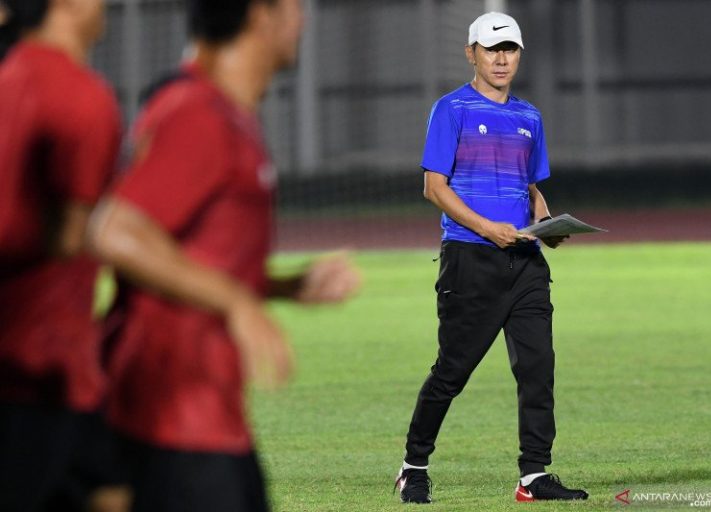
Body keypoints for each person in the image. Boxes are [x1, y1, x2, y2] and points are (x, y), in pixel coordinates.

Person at [87, 0, 360, 511]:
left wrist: (282, 286)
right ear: (260, 15)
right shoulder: (199, 114)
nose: (302, 18)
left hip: (203, 415)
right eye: (295, 6)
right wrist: (237, 302)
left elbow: (187, 254)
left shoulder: (228, 113)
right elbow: (115, 231)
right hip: (171, 417)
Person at [393, 12, 588, 504]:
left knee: (537, 368)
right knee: (452, 371)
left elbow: (529, 184)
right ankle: (413, 465)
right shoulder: (451, 109)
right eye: (491, 49)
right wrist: (487, 229)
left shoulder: (529, 116)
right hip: (470, 259)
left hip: (525, 263)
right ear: (471, 53)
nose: (502, 58)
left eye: (510, 49)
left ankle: (534, 476)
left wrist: (545, 224)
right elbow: (433, 188)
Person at [0, 1, 128, 511]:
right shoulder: (82, 96)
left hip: (39, 357)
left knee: (111, 487)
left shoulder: (9, 79)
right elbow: (72, 236)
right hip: (43, 360)